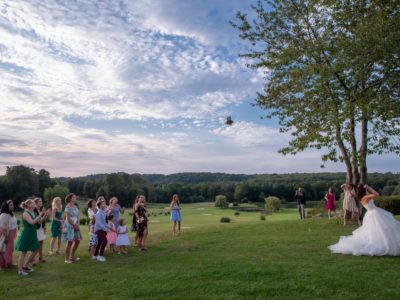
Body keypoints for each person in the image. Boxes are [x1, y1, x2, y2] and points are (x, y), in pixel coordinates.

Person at [329, 184, 400, 256]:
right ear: (363, 190)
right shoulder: (366, 197)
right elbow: (377, 194)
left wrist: (366, 189)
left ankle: (381, 241)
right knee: (382, 228)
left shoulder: (362, 197)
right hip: (374, 213)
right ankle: (382, 243)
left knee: (377, 230)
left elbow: (371, 197)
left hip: (370, 214)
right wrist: (369, 187)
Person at [15, 199, 47, 276]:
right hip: (27, 234)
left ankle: (25, 266)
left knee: (36, 249)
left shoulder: (33, 212)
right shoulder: (26, 213)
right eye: (33, 203)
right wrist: (40, 214)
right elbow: (32, 222)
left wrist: (45, 215)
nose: (34, 204)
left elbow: (39, 222)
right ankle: (20, 271)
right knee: (23, 252)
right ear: (29, 205)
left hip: (33, 234)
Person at [62, 193, 82, 264]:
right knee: (70, 242)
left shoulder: (75, 207)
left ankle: (72, 256)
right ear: (70, 198)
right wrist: (74, 225)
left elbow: (78, 216)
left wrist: (78, 224)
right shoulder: (67, 207)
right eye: (74, 197)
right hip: (70, 225)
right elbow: (68, 217)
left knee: (77, 240)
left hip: (76, 224)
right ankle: (66, 259)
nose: (75, 198)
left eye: (75, 197)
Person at [0, 200, 18, 269]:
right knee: (5, 249)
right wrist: (6, 236)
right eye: (10, 205)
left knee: (9, 249)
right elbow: (1, 227)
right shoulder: (4, 215)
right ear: (6, 206)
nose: (12, 206)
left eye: (12, 205)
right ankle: (6, 264)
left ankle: (8, 263)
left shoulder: (11, 214)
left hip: (11, 234)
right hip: (6, 234)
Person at [94, 198, 109, 262]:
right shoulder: (98, 213)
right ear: (99, 206)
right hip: (98, 229)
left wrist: (109, 227)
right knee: (105, 241)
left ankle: (95, 255)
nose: (105, 205)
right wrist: (105, 228)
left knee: (100, 242)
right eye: (103, 204)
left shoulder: (103, 213)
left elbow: (104, 222)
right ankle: (100, 256)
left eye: (105, 204)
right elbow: (99, 223)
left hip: (102, 229)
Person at [34, 197, 47, 263]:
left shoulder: (41, 210)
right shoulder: (34, 210)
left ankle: (40, 257)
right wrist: (42, 213)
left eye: (41, 201)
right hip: (35, 229)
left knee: (41, 242)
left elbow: (42, 220)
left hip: (41, 228)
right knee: (35, 243)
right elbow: (38, 221)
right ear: (36, 203)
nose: (41, 202)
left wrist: (46, 214)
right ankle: (32, 260)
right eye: (40, 201)